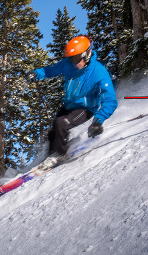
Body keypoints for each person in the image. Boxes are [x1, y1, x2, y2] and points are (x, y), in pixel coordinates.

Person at [33, 35, 118, 168]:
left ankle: (59, 155)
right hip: (68, 105)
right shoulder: (69, 64)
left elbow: (111, 100)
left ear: (87, 54)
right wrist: (37, 74)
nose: (74, 62)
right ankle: (51, 155)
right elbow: (51, 70)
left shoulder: (99, 73)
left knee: (61, 123)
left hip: (85, 108)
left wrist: (98, 121)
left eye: (77, 58)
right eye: (72, 58)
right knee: (54, 130)